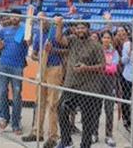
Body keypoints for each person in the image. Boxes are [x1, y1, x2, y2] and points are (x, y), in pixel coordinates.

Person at [54, 19, 105, 148]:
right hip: (71, 85)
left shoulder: (96, 45)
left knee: (87, 118)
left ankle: (85, 144)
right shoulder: (73, 40)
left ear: (88, 29)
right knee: (61, 108)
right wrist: (59, 25)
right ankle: (66, 141)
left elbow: (102, 66)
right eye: (78, 28)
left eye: (83, 28)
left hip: (88, 88)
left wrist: (86, 68)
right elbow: (59, 39)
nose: (80, 30)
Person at [22, 13, 64, 146]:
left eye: (43, 20)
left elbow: (64, 49)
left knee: (52, 103)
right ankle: (37, 132)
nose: (41, 22)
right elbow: (34, 54)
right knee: (39, 102)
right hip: (42, 68)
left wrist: (52, 50)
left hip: (54, 68)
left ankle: (53, 136)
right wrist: (39, 55)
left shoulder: (54, 32)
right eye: (38, 20)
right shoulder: (38, 35)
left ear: (48, 21)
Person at [0, 10, 29, 135]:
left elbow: (28, 44)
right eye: (13, 16)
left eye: (17, 16)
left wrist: (28, 40)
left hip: (17, 67)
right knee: (2, 92)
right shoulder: (3, 30)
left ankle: (16, 123)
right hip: (3, 65)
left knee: (16, 95)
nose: (14, 18)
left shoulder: (24, 30)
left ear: (20, 17)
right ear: (10, 17)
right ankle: (4, 118)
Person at [92, 30, 119, 147]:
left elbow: (114, 68)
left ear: (111, 39)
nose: (106, 39)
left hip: (109, 83)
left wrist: (102, 66)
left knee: (109, 110)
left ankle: (109, 135)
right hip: (97, 82)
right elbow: (94, 66)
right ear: (101, 39)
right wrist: (105, 66)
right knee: (95, 110)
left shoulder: (115, 52)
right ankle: (94, 133)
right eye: (104, 37)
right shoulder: (97, 50)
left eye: (108, 37)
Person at [120, 24, 133, 132]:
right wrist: (130, 50)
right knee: (126, 99)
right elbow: (124, 61)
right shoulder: (127, 44)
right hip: (127, 76)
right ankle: (126, 119)